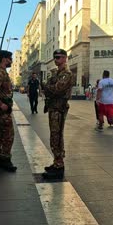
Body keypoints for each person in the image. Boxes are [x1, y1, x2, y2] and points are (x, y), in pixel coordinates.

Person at [42, 49, 74, 179]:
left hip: (59, 108)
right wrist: (49, 88)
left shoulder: (66, 74)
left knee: (57, 135)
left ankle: (59, 165)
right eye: (55, 57)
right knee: (54, 135)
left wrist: (47, 87)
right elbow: (49, 87)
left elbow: (57, 89)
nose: (56, 60)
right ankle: (56, 162)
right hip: (53, 108)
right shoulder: (56, 73)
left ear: (65, 58)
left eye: (59, 57)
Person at [96, 70, 113, 135]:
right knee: (112, 114)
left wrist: (97, 99)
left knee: (101, 113)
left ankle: (100, 126)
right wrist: (112, 96)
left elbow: (99, 91)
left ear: (103, 74)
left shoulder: (101, 82)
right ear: (109, 74)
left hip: (103, 101)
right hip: (111, 101)